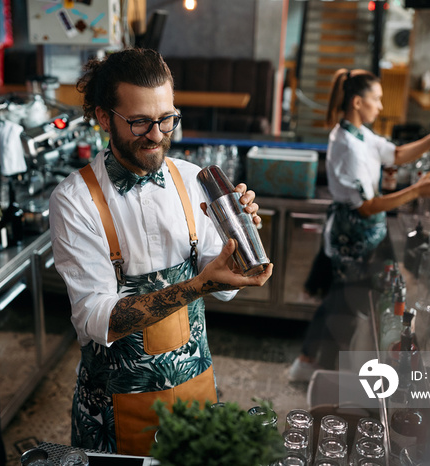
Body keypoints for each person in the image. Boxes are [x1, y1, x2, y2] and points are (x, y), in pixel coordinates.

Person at [49, 48, 273, 455]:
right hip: (115, 405)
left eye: (167, 119)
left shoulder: (191, 179)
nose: (157, 134)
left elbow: (221, 289)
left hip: (196, 387)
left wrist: (237, 252)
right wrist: (197, 286)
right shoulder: (75, 199)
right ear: (104, 117)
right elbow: (98, 319)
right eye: (139, 122)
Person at [287, 68, 430, 382]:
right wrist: (417, 191)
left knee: (348, 300)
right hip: (353, 236)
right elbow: (366, 207)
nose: (380, 106)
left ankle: (314, 363)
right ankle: (315, 365)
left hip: (368, 235)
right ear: (357, 102)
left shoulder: (361, 134)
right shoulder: (346, 145)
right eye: (376, 99)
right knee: (343, 302)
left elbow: (395, 154)